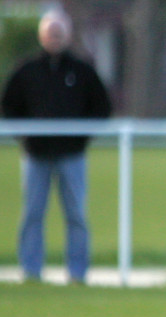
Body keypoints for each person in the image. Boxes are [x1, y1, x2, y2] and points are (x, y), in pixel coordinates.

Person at [2, 9, 112, 284]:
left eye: (60, 34)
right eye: (51, 33)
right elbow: (9, 107)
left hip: (72, 156)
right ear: (42, 36)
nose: (55, 39)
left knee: (76, 214)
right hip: (36, 156)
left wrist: (79, 138)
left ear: (67, 36)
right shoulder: (27, 71)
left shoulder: (82, 71)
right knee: (33, 214)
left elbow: (101, 107)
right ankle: (31, 271)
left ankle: (77, 273)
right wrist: (27, 137)